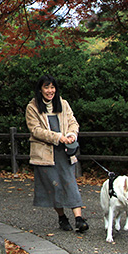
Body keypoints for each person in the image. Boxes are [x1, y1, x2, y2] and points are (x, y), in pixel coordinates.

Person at [25, 74, 88, 232]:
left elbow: (73, 122)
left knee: (70, 183)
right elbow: (36, 130)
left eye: (52, 87)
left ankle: (79, 219)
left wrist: (72, 135)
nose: (50, 90)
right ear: (40, 89)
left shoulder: (63, 104)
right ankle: (62, 218)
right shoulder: (32, 107)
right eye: (46, 87)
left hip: (64, 152)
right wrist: (57, 137)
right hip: (45, 154)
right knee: (54, 187)